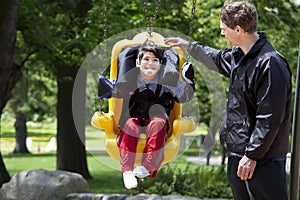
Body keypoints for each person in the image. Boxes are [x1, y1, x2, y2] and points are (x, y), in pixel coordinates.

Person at [164, 1, 292, 199]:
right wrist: (188, 46)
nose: (222, 33)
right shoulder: (238, 55)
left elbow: (269, 118)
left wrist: (252, 156)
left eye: (224, 29)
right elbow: (214, 57)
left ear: (238, 29)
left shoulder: (270, 64)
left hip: (262, 161)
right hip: (238, 155)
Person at [111, 42, 195, 189]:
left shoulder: (167, 81)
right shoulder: (129, 79)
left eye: (155, 60)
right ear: (138, 62)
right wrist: (105, 88)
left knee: (157, 124)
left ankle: (147, 166)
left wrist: (189, 82)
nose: (150, 64)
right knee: (130, 125)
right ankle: (127, 171)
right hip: (134, 116)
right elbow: (114, 90)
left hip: (157, 117)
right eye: (146, 59)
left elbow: (183, 96)